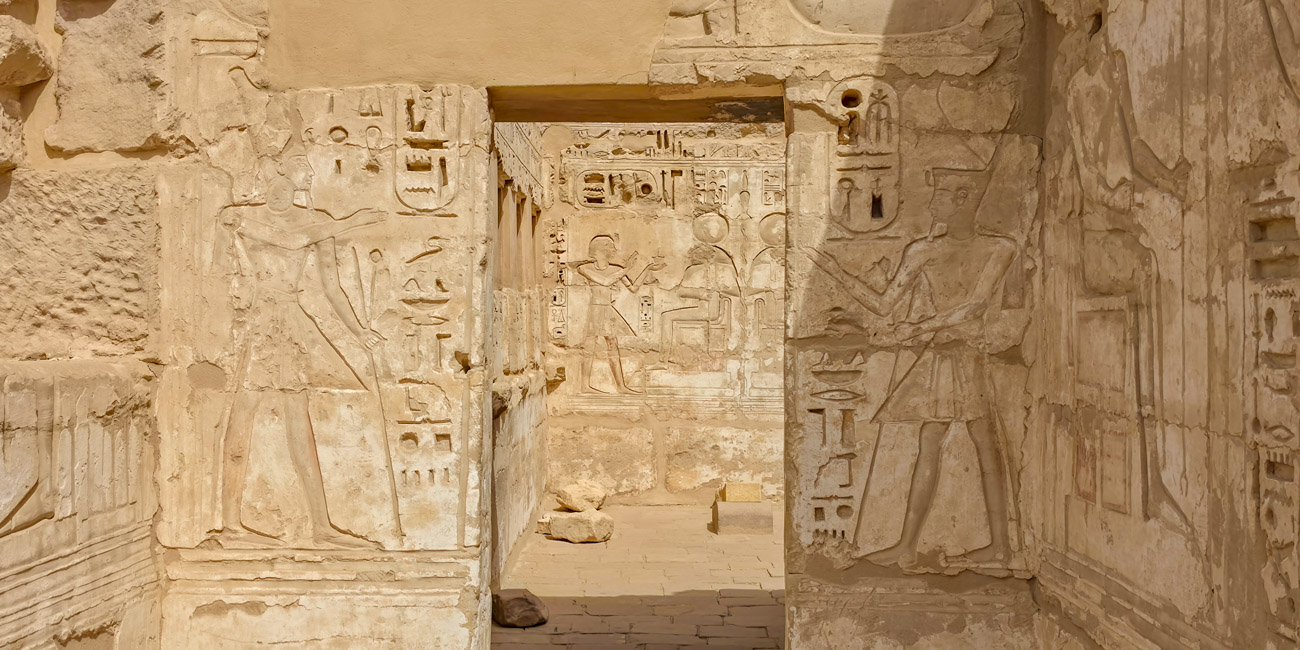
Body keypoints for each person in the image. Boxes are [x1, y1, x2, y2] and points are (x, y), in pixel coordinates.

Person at [806, 168, 1016, 566]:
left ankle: (1000, 545)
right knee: (931, 442)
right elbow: (885, 304)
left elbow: (975, 306)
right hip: (940, 356)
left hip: (970, 354)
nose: (932, 204)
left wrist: (920, 327)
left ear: (963, 199)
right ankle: (908, 545)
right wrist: (839, 275)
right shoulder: (922, 251)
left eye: (941, 196)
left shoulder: (1000, 247)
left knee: (984, 445)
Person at [215, 155, 385, 548]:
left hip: (290, 321)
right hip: (259, 321)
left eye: (287, 187)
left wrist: (359, 331)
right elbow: (286, 239)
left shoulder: (314, 222)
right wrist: (349, 222)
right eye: (274, 186)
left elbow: (332, 288)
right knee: (242, 415)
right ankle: (230, 523)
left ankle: (321, 525)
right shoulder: (242, 216)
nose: (277, 195)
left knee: (299, 424)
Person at [574, 235, 661, 394]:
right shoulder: (585, 268)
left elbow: (633, 288)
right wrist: (627, 269)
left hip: (607, 308)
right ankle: (585, 385)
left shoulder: (616, 270)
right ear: (600, 250)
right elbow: (605, 281)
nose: (614, 250)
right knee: (590, 345)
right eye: (611, 247)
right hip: (595, 309)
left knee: (612, 344)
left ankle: (621, 386)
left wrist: (647, 268)